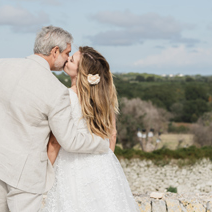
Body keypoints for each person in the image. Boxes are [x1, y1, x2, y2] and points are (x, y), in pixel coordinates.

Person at [0, 26, 110, 212]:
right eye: (67, 53)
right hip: (25, 172)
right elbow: (69, 141)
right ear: (54, 51)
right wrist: (101, 144)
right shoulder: (56, 91)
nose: (67, 58)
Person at [43, 46, 140, 212]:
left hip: (70, 167)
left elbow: (54, 142)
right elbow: (113, 135)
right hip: (102, 165)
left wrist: (45, 174)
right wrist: (107, 165)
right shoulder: (104, 98)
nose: (67, 60)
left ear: (81, 72)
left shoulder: (66, 97)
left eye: (72, 60)